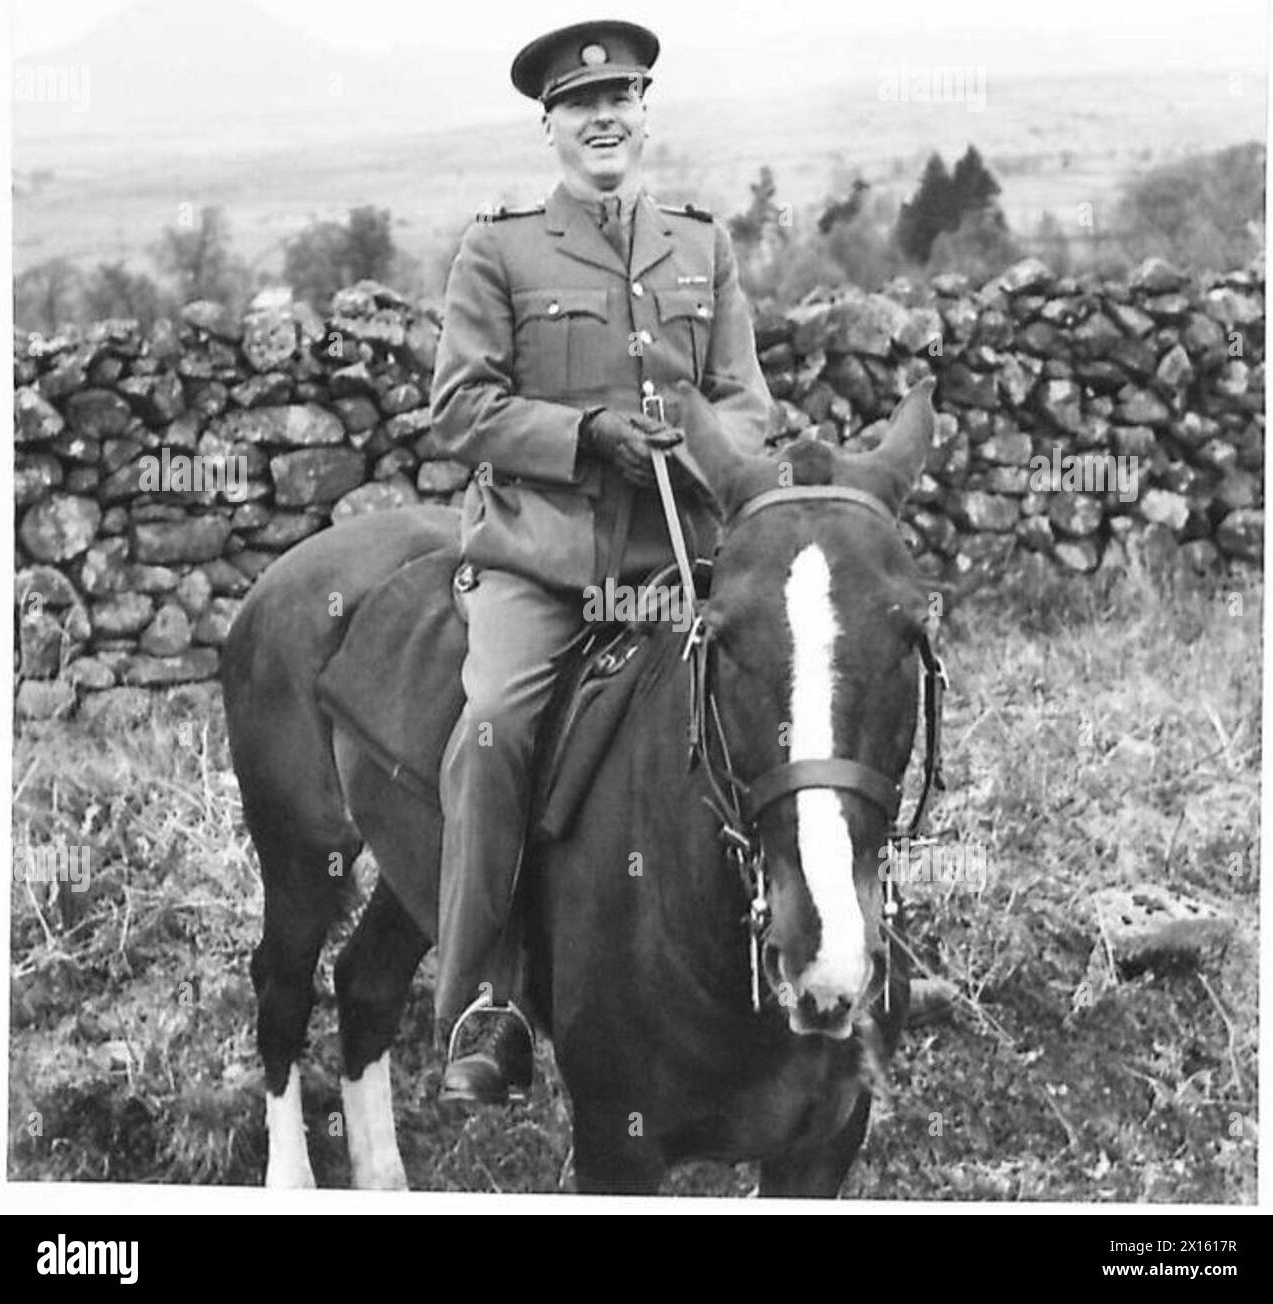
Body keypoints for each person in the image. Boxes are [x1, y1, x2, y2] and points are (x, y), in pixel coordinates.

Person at [430, 18, 773, 1105]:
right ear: (550, 126)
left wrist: (708, 447)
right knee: (493, 729)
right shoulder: (499, 249)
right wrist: (584, 438)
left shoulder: (700, 243)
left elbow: (745, 397)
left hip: (681, 554)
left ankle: (817, 956)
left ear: (643, 111)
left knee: (789, 704)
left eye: (623, 95)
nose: (606, 114)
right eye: (583, 104)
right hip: (546, 561)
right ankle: (481, 1004)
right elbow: (459, 407)